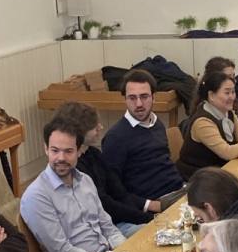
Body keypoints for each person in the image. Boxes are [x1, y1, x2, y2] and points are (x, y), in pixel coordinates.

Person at [20, 118, 125, 252]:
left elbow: (107, 226)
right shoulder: (36, 195)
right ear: (46, 149)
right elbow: (61, 249)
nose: (61, 158)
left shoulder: (85, 180)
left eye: (68, 151)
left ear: (79, 151)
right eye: (55, 150)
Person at [53, 100, 172, 237]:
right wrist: (146, 219)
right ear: (79, 131)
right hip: (107, 228)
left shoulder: (94, 153)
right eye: (94, 126)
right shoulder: (75, 167)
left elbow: (118, 190)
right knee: (164, 233)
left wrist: (143, 217)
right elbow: (105, 203)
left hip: (121, 221)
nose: (100, 127)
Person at [102, 70, 186, 200]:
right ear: (124, 99)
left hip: (179, 191)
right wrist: (149, 205)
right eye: (132, 98)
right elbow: (113, 191)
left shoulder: (157, 124)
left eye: (144, 96)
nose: (139, 104)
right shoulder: (115, 138)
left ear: (154, 97)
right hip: (155, 202)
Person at [176, 72, 238, 180]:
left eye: (233, 92)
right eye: (227, 93)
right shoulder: (203, 122)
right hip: (197, 177)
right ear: (211, 95)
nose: (232, 97)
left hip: (220, 171)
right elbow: (227, 152)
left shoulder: (228, 112)